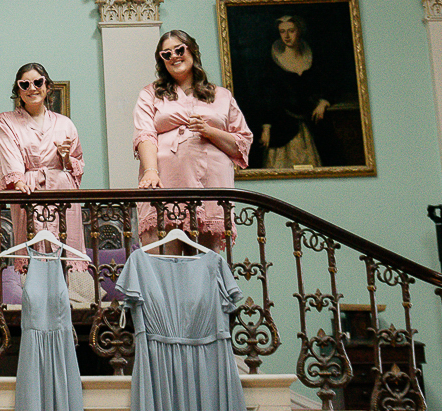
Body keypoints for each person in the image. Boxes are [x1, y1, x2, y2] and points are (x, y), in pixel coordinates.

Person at [134, 29, 252, 252]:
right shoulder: (150, 94)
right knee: (164, 262)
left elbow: (241, 143)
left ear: (193, 51)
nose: (174, 56)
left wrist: (209, 131)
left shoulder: (221, 95)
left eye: (179, 49)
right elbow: (145, 134)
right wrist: (151, 171)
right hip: (167, 184)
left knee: (203, 265)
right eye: (166, 54)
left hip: (210, 188)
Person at [0, 62, 93, 304]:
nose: (32, 88)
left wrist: (65, 156)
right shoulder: (5, 121)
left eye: (38, 82)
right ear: (18, 90)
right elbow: (8, 156)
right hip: (29, 191)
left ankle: (71, 304)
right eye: (24, 84)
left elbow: (76, 166)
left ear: (48, 86)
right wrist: (17, 180)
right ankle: (36, 304)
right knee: (33, 251)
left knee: (66, 249)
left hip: (63, 192)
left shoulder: (65, 123)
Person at [255, 13, 334, 170]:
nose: (287, 36)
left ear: (299, 31)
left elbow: (329, 83)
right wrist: (266, 128)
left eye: (291, 30)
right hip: (283, 126)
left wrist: (324, 101)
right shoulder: (272, 62)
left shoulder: (312, 57)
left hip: (311, 123)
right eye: (282, 31)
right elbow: (266, 97)